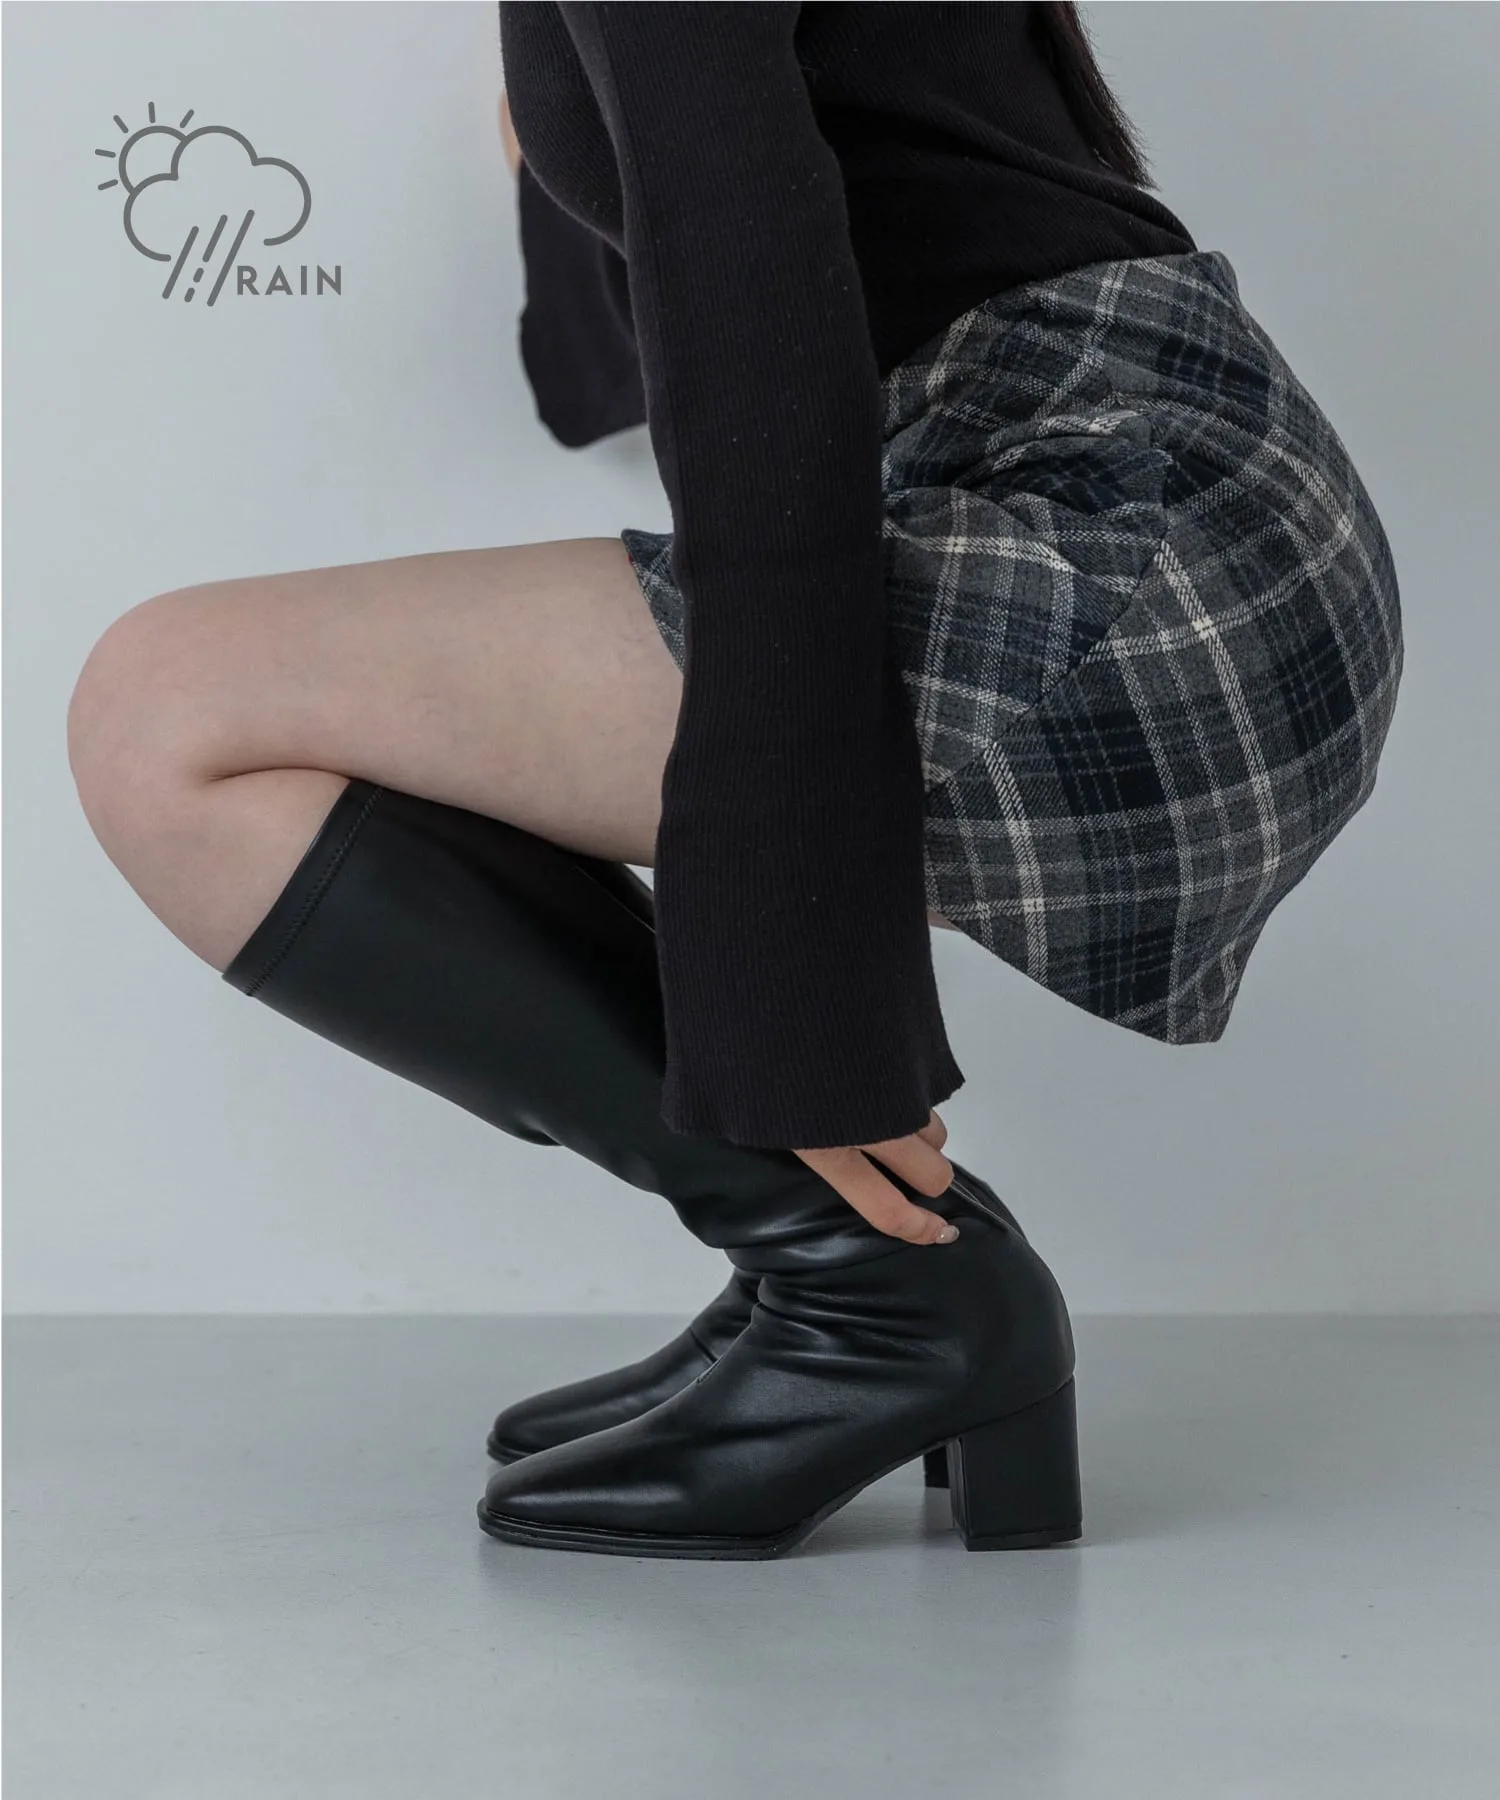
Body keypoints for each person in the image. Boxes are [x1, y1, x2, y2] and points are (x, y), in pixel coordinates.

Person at [66, 3, 1403, 1561]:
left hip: (1143, 592)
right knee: (244, 705)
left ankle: (886, 1295)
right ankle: (849, 1268)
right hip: (1203, 514)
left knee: (167, 717)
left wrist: (798, 1013)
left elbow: (754, 324)